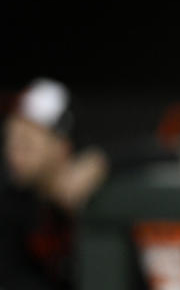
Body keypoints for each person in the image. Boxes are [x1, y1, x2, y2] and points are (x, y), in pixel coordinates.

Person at [1, 78, 108, 289]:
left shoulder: (100, 180)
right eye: (10, 139)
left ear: (62, 147)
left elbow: (167, 151)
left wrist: (102, 161)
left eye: (26, 143)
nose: (13, 152)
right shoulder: (12, 197)